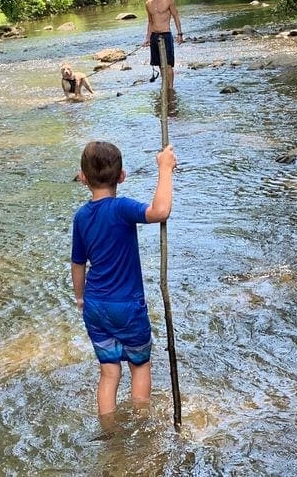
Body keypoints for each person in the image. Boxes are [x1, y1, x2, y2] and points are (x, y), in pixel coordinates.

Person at [71, 140, 177, 418]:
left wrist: (80, 298)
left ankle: (109, 432)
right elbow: (160, 210)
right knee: (139, 366)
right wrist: (165, 168)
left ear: (82, 178)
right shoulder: (122, 209)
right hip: (127, 308)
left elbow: (78, 263)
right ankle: (141, 425)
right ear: (122, 176)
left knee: (109, 372)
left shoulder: (81, 217)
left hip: (95, 306)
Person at [143, 0, 183, 88]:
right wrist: (147, 38)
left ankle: (170, 88)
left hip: (166, 35)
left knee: (169, 65)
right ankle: (164, 86)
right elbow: (150, 22)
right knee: (160, 65)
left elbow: (175, 16)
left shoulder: (168, 0)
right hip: (154, 36)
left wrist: (179, 34)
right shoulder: (148, 3)